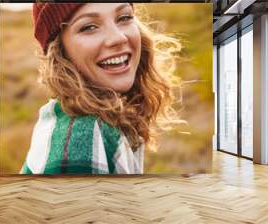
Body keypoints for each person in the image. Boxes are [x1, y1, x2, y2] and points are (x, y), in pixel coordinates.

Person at [20, 3, 180, 174]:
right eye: (89, 27)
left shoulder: (76, 117)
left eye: (124, 17)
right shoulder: (84, 140)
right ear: (60, 51)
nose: (118, 38)